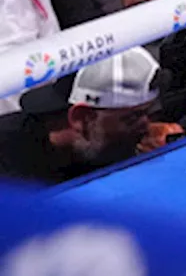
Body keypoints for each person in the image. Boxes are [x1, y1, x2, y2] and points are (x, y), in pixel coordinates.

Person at [0, 47, 163, 184]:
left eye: (148, 113)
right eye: (132, 118)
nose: (146, 127)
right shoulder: (9, 173)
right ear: (82, 118)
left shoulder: (100, 141)